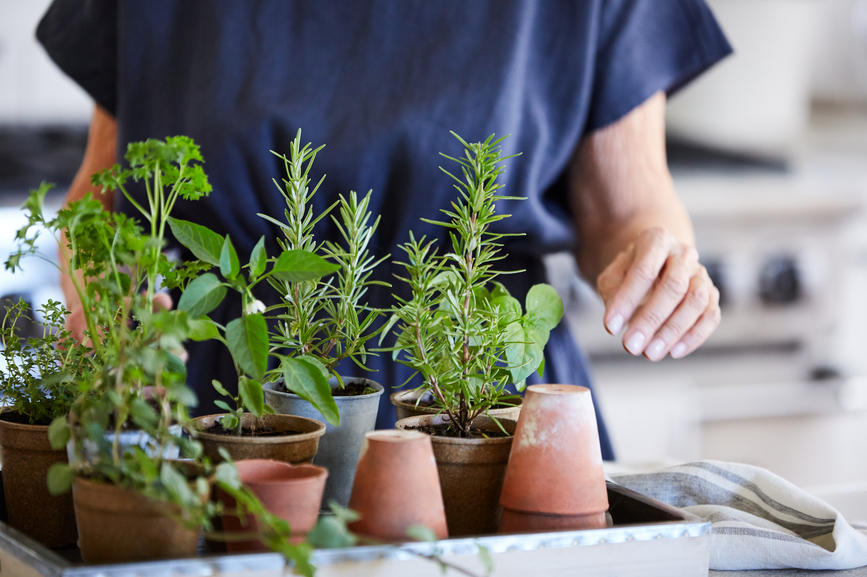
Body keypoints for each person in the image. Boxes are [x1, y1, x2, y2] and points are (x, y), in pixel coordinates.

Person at [37, 0, 730, 460]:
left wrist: (657, 258)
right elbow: (104, 188)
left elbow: (626, 203)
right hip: (226, 407)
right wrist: (103, 288)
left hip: (477, 407)